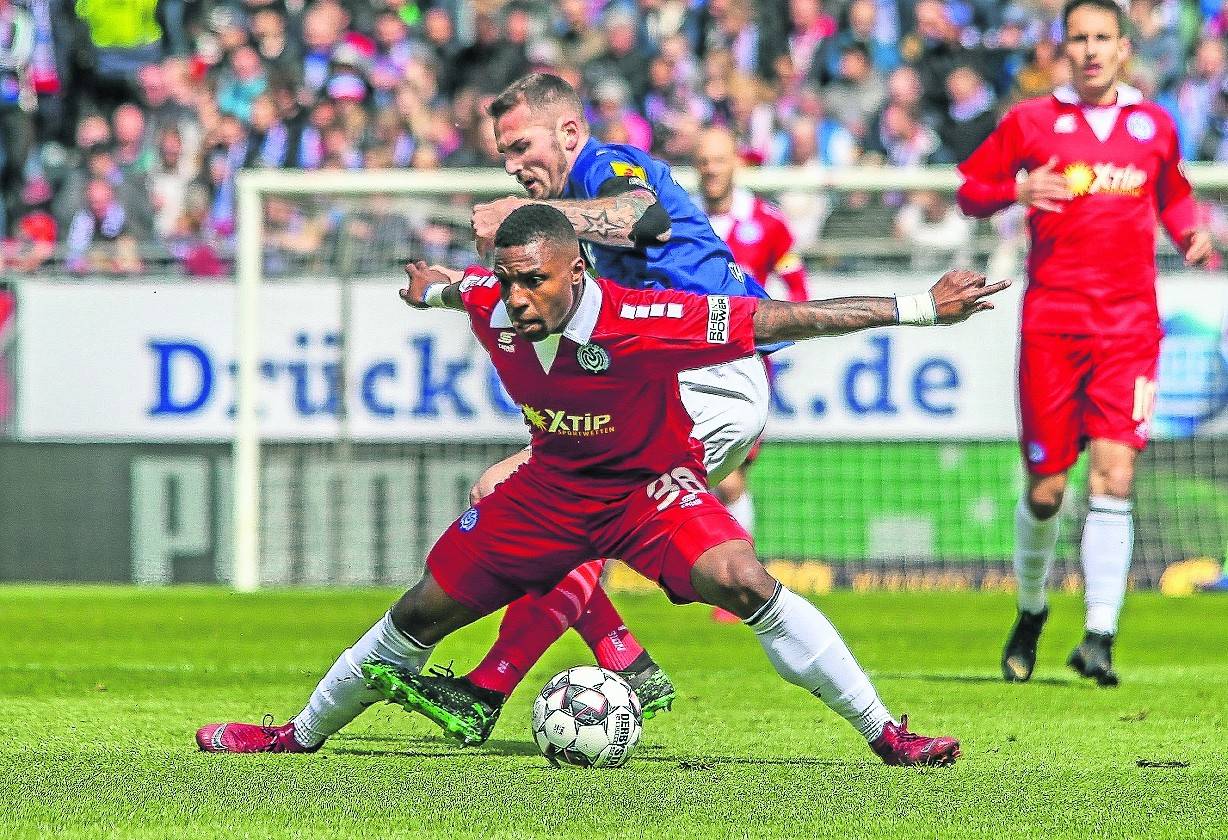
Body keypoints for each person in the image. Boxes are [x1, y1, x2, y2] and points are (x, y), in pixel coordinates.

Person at [197, 203, 1007, 764]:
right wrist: (430, 290)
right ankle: (294, 736)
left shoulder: (645, 321)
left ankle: (885, 735)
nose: (518, 299)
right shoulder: (493, 300)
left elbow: (781, 319)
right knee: (420, 611)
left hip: (648, 490)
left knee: (744, 580)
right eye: (508, 282)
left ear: (575, 270)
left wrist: (919, 307)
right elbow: (458, 289)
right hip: (548, 491)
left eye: (535, 283)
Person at [396, 70, 783, 743]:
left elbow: (644, 217)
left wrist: (526, 225)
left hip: (708, 375)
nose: (514, 166)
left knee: (530, 498)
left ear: (569, 132)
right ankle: (616, 658)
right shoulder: (569, 234)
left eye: (521, 147)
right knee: (559, 511)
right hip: (688, 381)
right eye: (505, 156)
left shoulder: (603, 164)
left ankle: (500, 685)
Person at [956, 0, 1214, 688]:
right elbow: (969, 192)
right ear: (1063, 49)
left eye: (1104, 38)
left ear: (1125, 48)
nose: (1093, 50)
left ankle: (1100, 634)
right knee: (1046, 492)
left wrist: (1191, 231)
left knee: (1115, 474)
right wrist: (1015, 187)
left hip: (1128, 327)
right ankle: (1032, 609)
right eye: (1080, 38)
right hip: (1051, 325)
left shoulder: (1153, 124)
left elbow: (1174, 196)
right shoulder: (1031, 121)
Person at [694, 125, 808, 620]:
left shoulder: (768, 222)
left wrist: (773, 332)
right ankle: (722, 569)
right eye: (703, 162)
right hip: (688, 358)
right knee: (699, 472)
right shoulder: (681, 220)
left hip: (744, 365)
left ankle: (739, 570)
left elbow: (797, 287)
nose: (710, 171)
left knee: (731, 479)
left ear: (735, 163)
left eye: (718, 161)